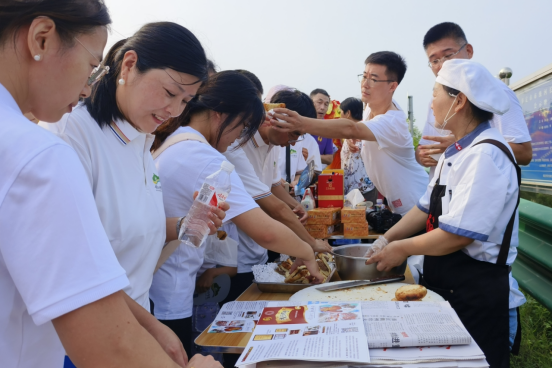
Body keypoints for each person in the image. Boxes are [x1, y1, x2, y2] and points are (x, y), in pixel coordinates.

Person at [0, 1, 219, 367]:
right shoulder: (54, 145)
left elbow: (126, 232)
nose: (87, 87)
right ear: (41, 39)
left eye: (185, 101)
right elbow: (106, 339)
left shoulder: (141, 144)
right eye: (91, 66)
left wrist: (185, 225)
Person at [149, 71, 325, 357]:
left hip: (166, 282)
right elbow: (263, 228)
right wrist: (306, 250)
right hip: (169, 288)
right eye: (242, 126)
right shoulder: (204, 157)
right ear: (220, 114)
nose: (237, 139)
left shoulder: (178, 141)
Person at [366, 60, 523, 367]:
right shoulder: (457, 153)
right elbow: (423, 207)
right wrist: (385, 239)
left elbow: (458, 235)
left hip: (477, 292)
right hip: (449, 284)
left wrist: (401, 248)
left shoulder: (486, 155)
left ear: (459, 101)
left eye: (435, 93)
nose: (431, 103)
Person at [271, 52, 429, 217]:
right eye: (364, 76)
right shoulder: (370, 107)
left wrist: (301, 123)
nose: (365, 84)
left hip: (416, 202)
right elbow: (357, 129)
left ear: (392, 86)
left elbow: (352, 128)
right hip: (398, 204)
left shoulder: (393, 121)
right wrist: (352, 138)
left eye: (373, 79)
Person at [417, 22, 533, 179]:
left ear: (469, 51)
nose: (442, 65)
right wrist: (421, 155)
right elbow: (424, 147)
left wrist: (462, 144)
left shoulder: (497, 92)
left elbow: (524, 153)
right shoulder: (436, 97)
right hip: (442, 195)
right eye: (434, 60)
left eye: (448, 55)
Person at [340, 97, 377, 203]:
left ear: (348, 113)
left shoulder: (365, 130)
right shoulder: (349, 134)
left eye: (341, 112)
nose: (339, 116)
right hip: (350, 190)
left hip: (365, 189)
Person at [310, 88, 334, 165]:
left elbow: (329, 158)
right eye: (319, 102)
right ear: (310, 103)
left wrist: (310, 156)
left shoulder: (327, 128)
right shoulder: (299, 124)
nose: (322, 107)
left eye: (326, 104)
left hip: (314, 174)